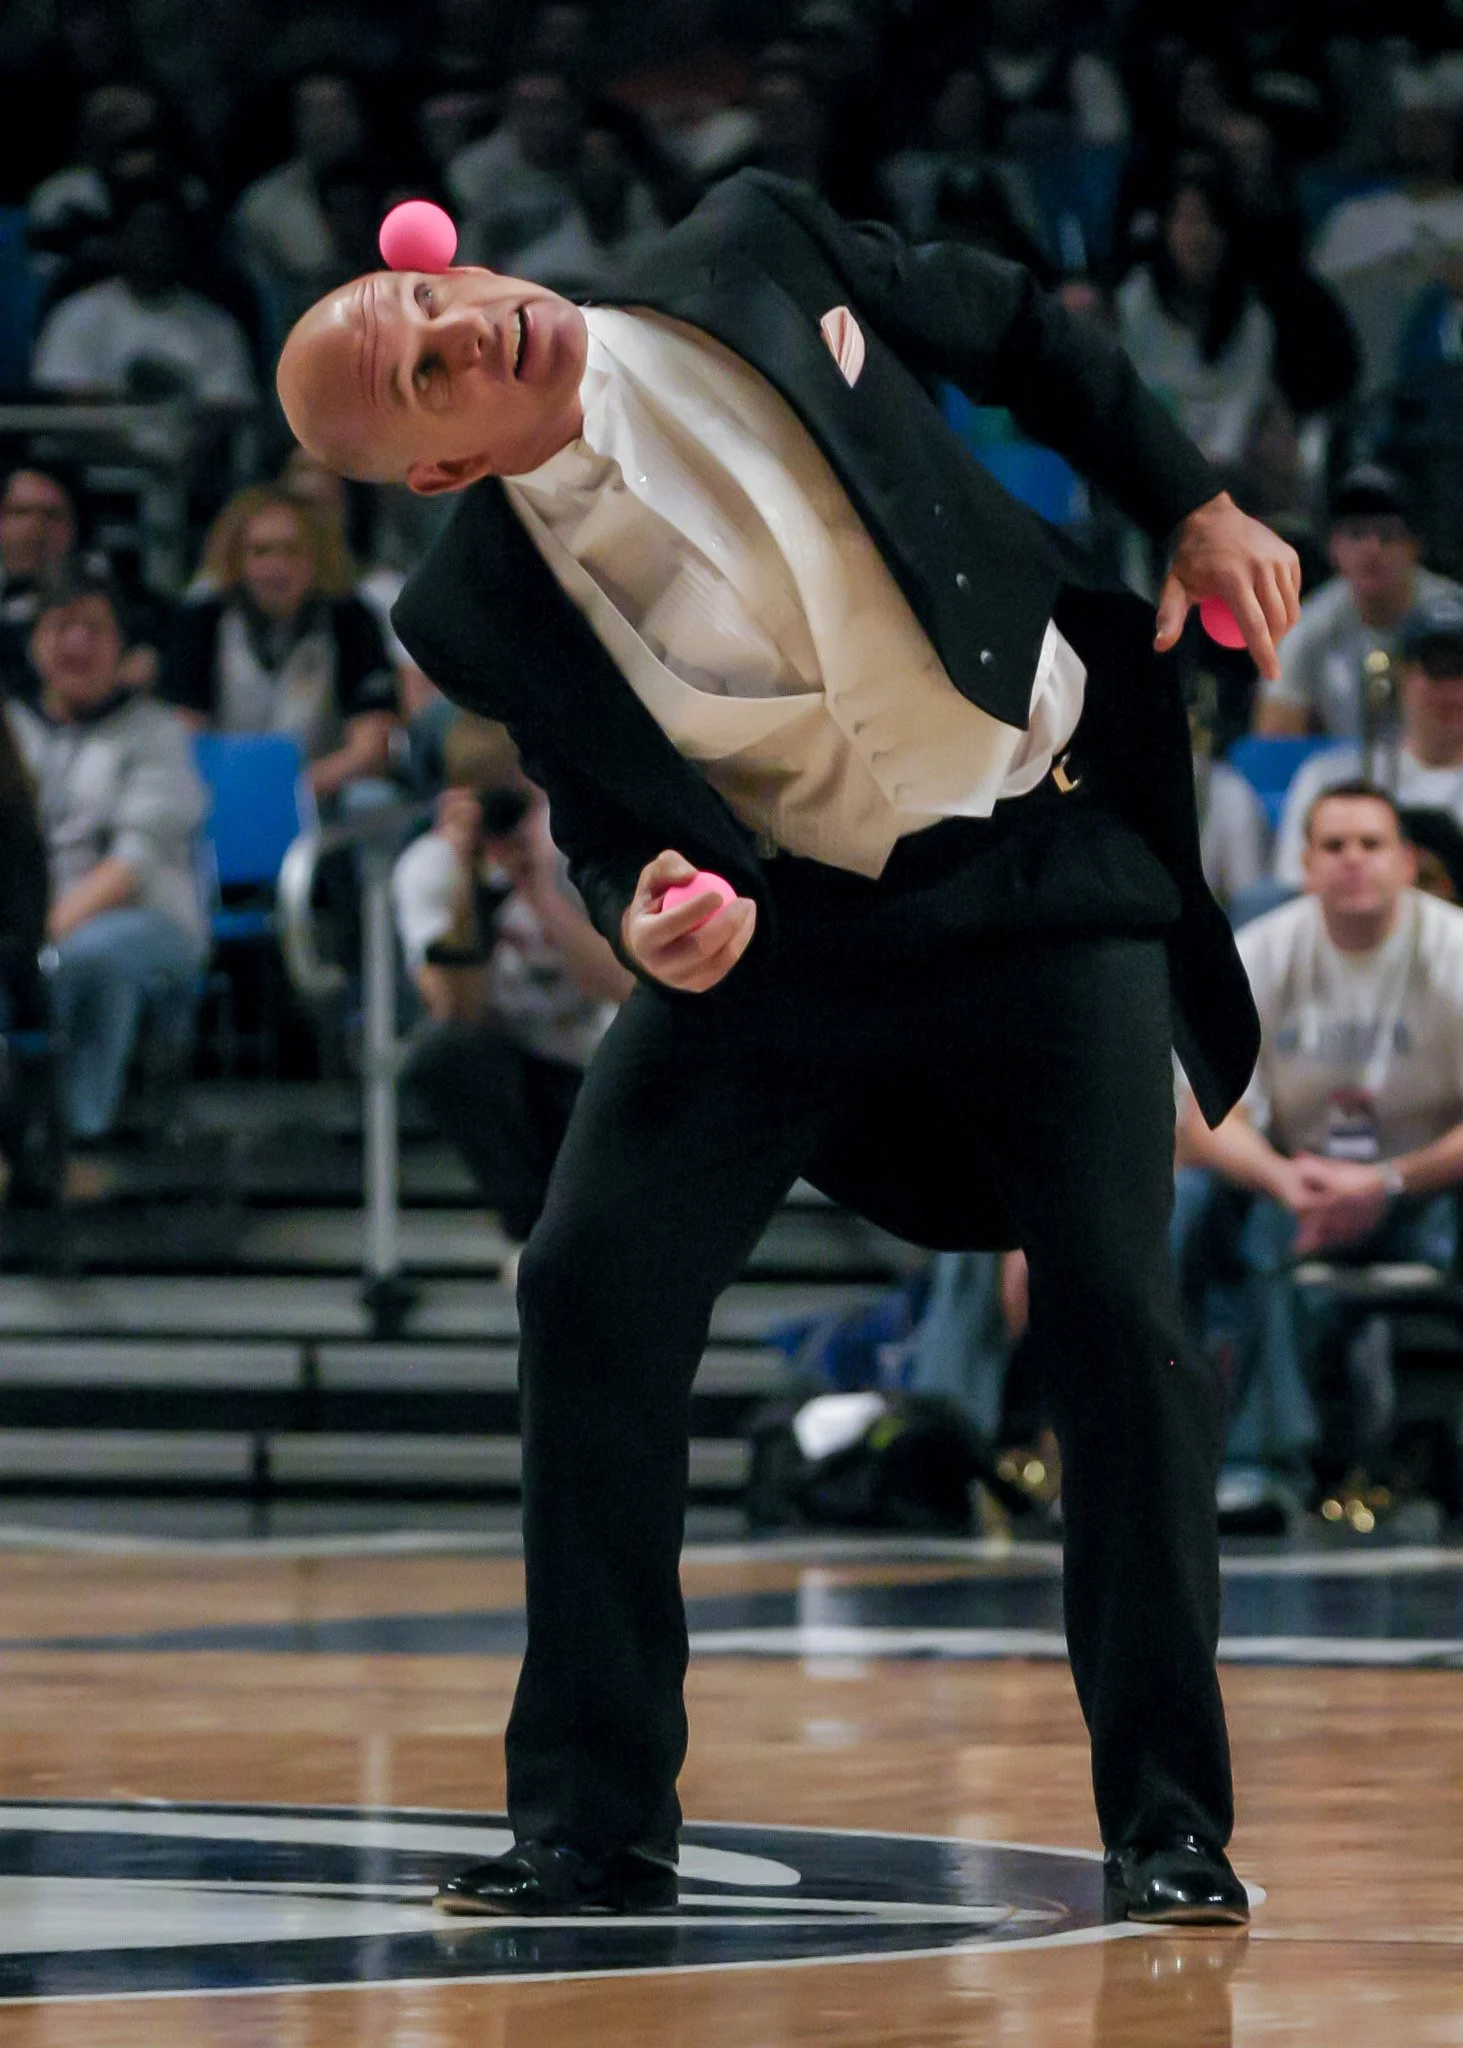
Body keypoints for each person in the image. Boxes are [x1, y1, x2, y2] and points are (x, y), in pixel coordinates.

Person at [277, 166, 1302, 1926]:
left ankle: (1167, 1825)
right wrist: (650, 905)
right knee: (586, 1279)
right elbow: (607, 824)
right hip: (788, 938)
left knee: (1117, 1319)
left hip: (1039, 855)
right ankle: (593, 1825)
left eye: (440, 305)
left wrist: (1192, 502)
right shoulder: (471, 607)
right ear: (437, 468)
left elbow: (1017, 329)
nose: (463, 330)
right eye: (425, 374)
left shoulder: (746, 247)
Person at [1179, 782, 1463, 1489]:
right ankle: (1254, 1467)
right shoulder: (1260, 951)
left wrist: (1384, 1182)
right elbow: (1200, 1120)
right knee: (1196, 1208)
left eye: (1371, 844)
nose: (1352, 861)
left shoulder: (1452, 948)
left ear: (1405, 862)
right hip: (1297, 1190)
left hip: (1427, 1191)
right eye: (1332, 846)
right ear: (1303, 866)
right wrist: (1286, 1182)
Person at [394, 720, 633, 1271]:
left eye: (514, 798)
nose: (503, 819)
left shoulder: (577, 847)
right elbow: (456, 1010)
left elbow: (625, 985)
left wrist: (539, 894)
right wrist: (465, 882)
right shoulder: (429, 868)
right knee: (440, 1055)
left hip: (598, 1064)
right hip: (516, 1077)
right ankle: (531, 1230)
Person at [5, 567, 207, 1143]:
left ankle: (77, 1131)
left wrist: (41, 935)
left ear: (122, 647)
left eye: (95, 628)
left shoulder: (156, 731)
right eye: (62, 626)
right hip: (31, 922)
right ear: (35, 642)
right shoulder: (14, 729)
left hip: (147, 917)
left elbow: (134, 864)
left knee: (90, 956)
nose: (78, 643)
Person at [161, 485, 398, 805]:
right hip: (220, 790)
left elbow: (370, 747)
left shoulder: (352, 619)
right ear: (237, 559)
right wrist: (242, 788)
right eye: (261, 551)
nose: (277, 566)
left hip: (321, 789)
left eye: (291, 550)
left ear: (315, 558)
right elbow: (183, 737)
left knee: (372, 798)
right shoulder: (202, 621)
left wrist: (291, 789)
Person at [1255, 465, 1463, 740]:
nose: (1371, 549)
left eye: (1387, 535)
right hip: (1343, 778)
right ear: (1333, 548)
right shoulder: (1307, 629)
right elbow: (1274, 747)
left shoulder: (1455, 616)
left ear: (1414, 546)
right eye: (1356, 534)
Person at [1272, 594, 1463, 889]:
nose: (1454, 688)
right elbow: (1295, 887)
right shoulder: (1330, 779)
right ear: (1403, 674)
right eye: (1440, 667)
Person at [29, 191, 257, 417]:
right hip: (92, 452)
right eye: (144, 230)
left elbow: (226, 411)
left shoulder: (218, 328)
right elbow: (71, 408)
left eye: (165, 231)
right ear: (119, 239)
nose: (155, 243)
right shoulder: (77, 315)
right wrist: (137, 454)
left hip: (190, 452)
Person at [1116, 156, 1276, 469]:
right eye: (1188, 220)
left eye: (1211, 221)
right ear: (1166, 229)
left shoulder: (1253, 321)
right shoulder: (1135, 302)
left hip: (1223, 474)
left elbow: (1241, 406)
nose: (1199, 236)